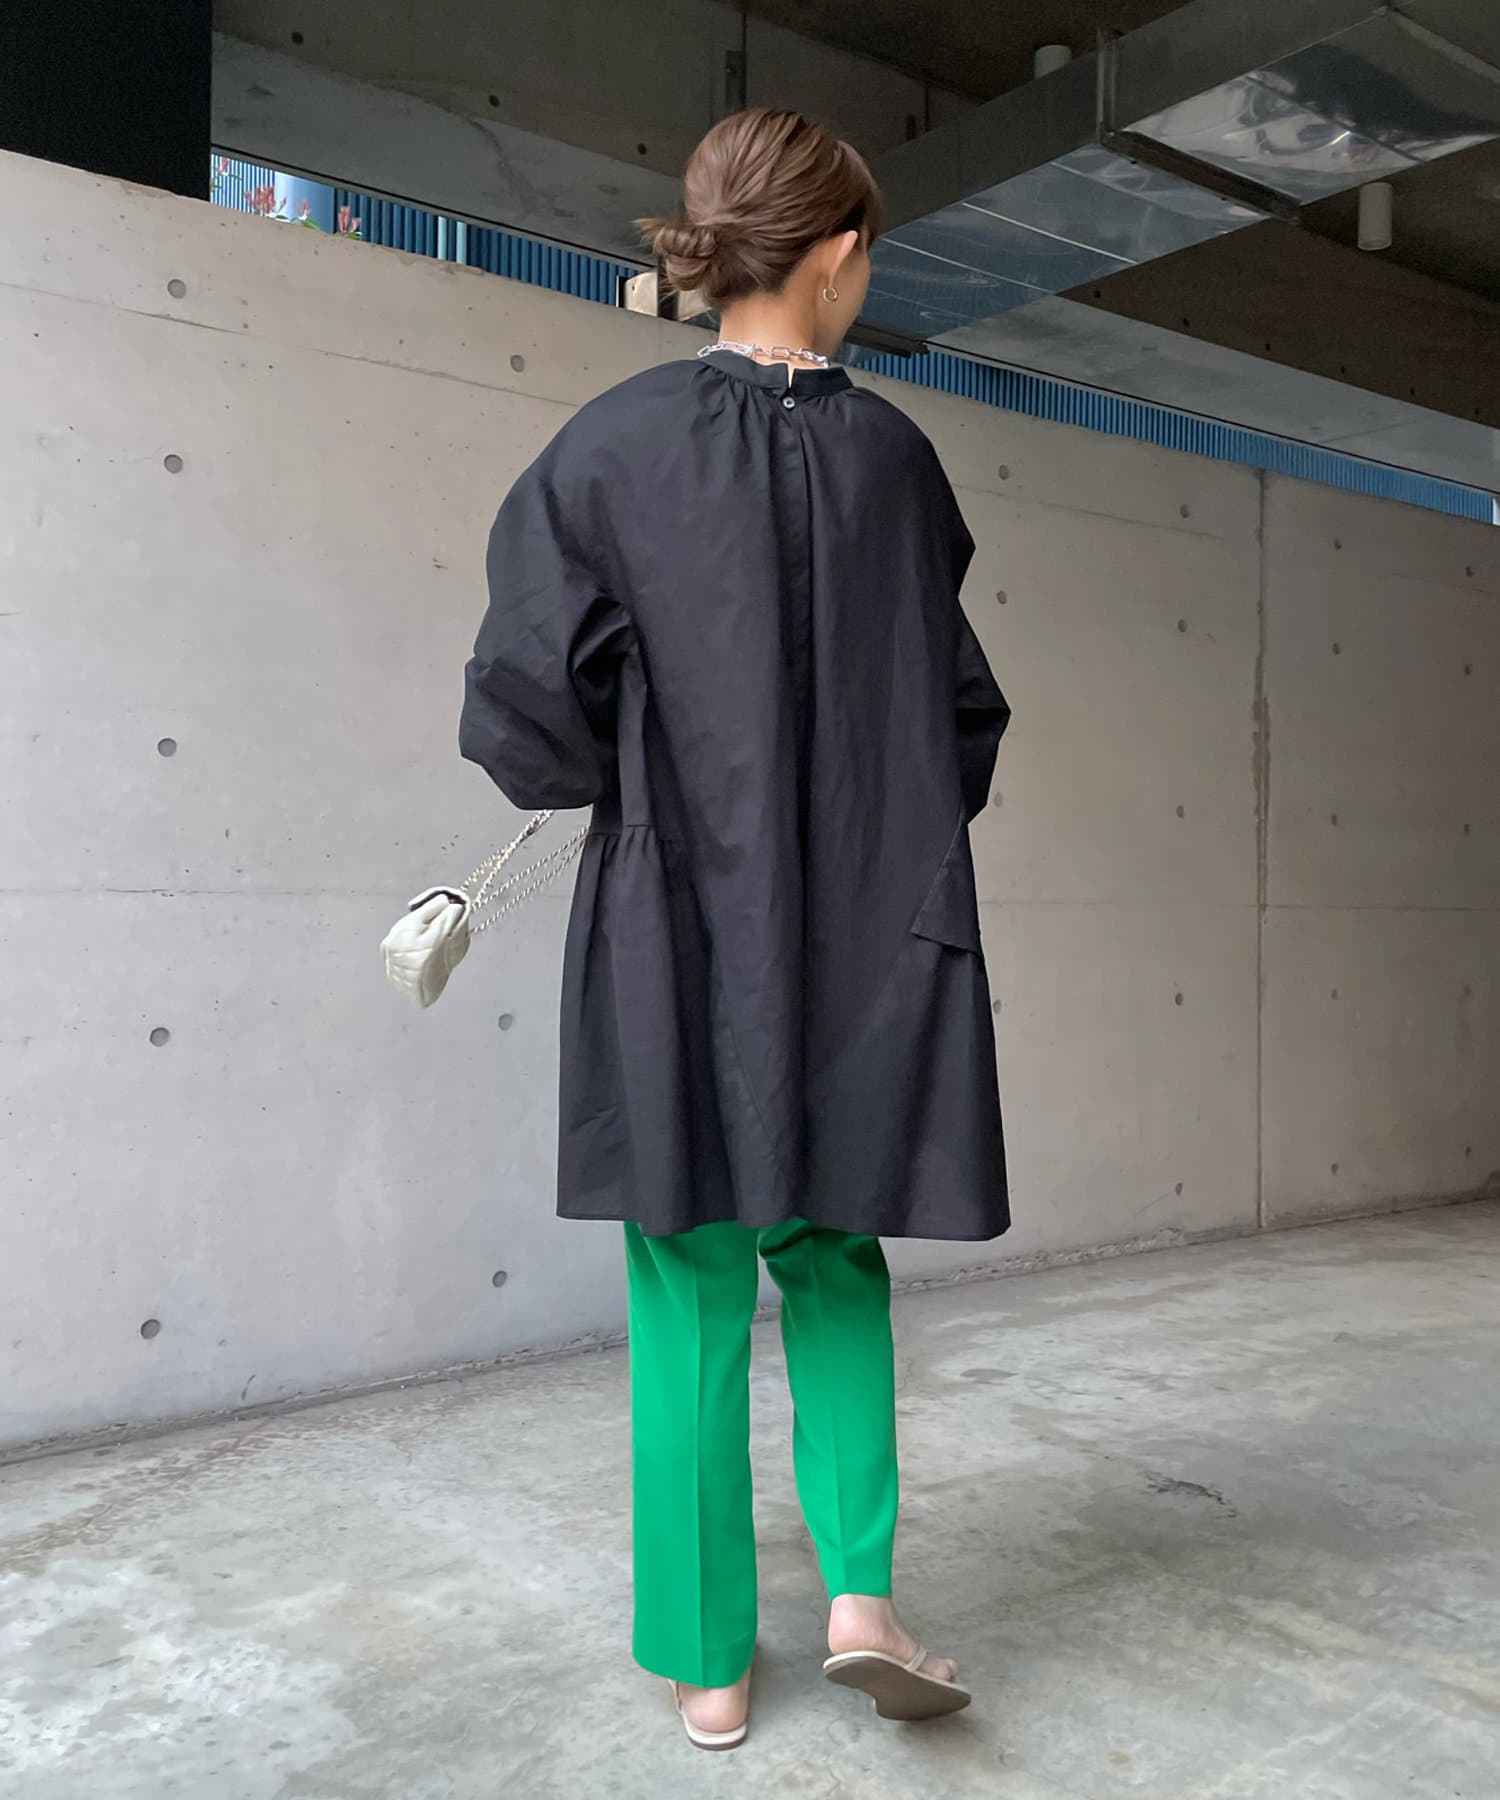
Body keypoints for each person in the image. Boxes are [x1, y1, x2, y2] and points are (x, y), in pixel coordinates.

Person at [458, 106, 1011, 1751]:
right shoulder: (897, 464)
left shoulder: (607, 450)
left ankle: (707, 1659)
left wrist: (632, 772)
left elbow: (521, 707)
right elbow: (961, 716)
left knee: (687, 1274)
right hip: (866, 928)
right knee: (835, 1256)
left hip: (675, 923)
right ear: (838, 254)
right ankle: (863, 1598)